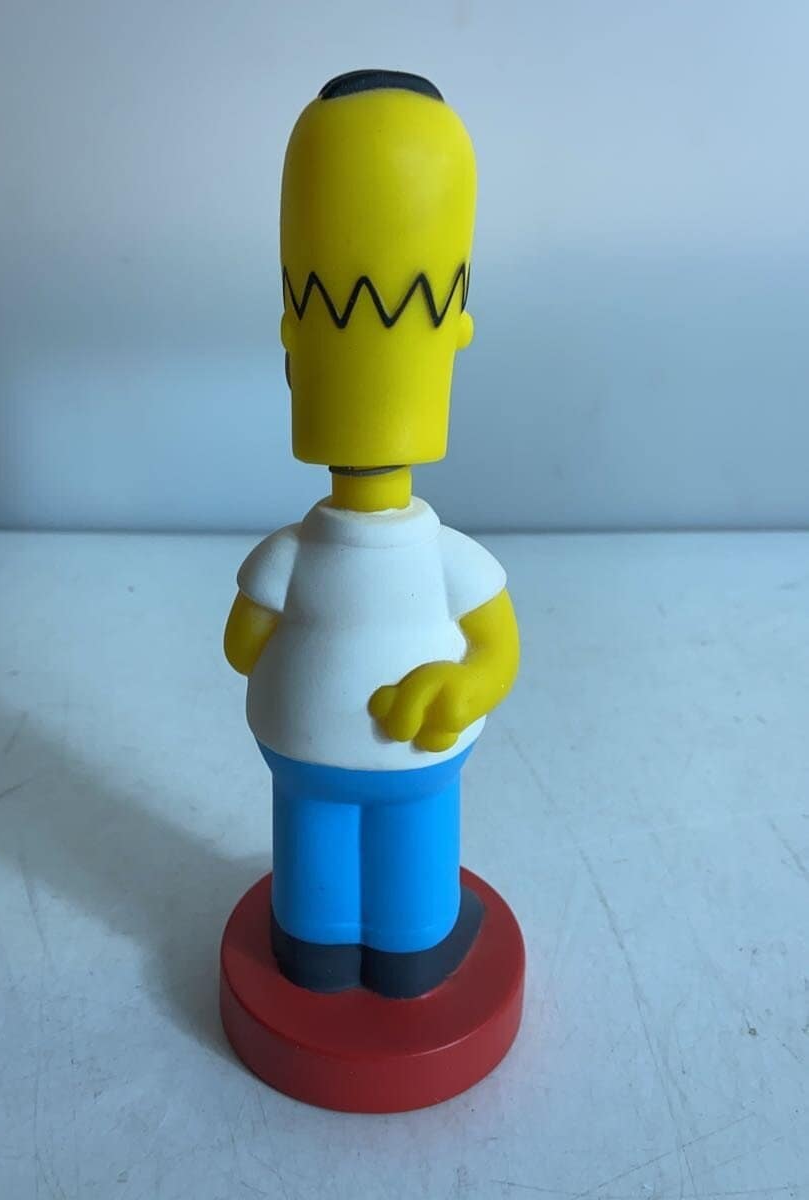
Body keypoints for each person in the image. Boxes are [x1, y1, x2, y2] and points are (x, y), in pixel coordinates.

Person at [224, 69, 520, 998]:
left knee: (323, 854)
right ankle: (409, 948)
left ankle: (318, 947)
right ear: (456, 338)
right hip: (406, 760)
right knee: (409, 861)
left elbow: (240, 646)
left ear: (291, 352)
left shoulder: (290, 556)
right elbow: (498, 646)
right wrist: (468, 679)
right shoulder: (448, 561)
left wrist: (465, 681)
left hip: (305, 742)